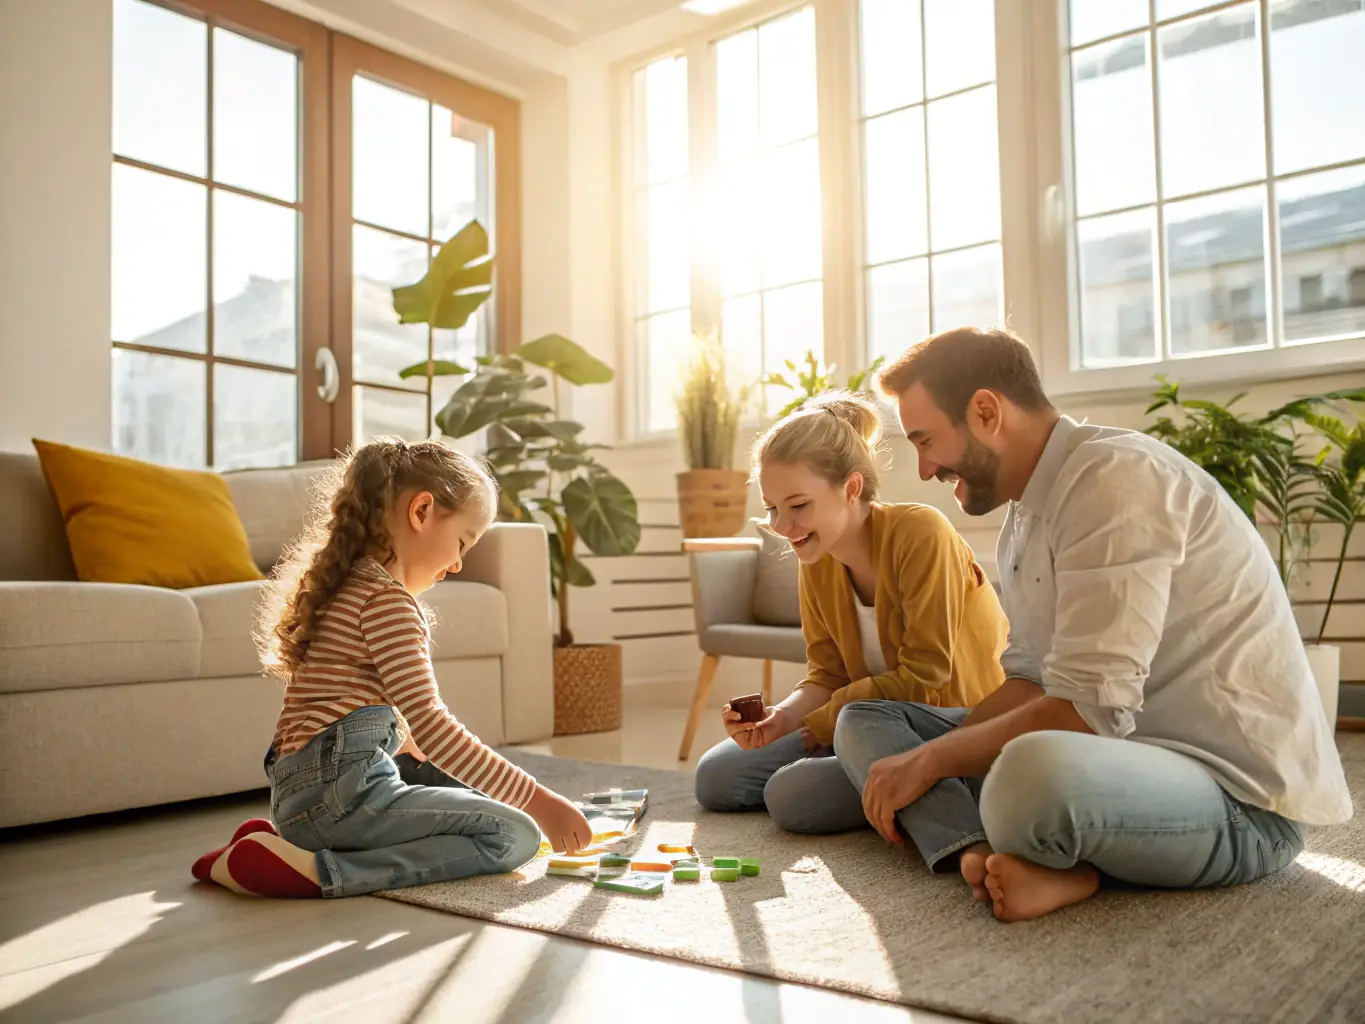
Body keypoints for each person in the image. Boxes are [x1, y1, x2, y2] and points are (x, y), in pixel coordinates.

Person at [833, 327, 1353, 922]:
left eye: (926, 441)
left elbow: (1086, 712)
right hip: (1118, 759)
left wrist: (929, 763)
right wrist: (933, 757)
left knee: (1025, 778)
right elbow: (1030, 680)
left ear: (985, 411)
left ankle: (1013, 841)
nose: (924, 469)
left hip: (1240, 803)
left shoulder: (1116, 478)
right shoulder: (1024, 521)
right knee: (865, 724)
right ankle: (1011, 849)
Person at [192, 438, 591, 898]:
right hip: (338, 800)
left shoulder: (343, 586)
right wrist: (541, 803)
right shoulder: (387, 602)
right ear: (421, 511)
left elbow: (358, 713)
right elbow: (434, 726)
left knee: (460, 785)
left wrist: (420, 753)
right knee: (515, 834)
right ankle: (322, 871)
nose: (459, 564)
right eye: (462, 542)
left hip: (300, 796)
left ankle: (278, 845)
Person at [693, 391, 1008, 833]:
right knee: (716, 777)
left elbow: (925, 680)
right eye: (773, 510)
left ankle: (943, 795)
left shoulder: (921, 533)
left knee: (789, 795)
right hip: (856, 726)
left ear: (852, 488)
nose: (783, 528)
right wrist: (779, 719)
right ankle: (888, 790)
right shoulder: (817, 557)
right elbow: (827, 674)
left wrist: (824, 722)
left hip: (949, 725)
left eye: (798, 506)